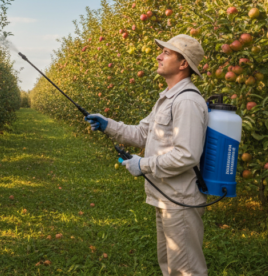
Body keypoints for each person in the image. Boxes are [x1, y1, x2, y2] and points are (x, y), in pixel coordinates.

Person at [85, 34, 208, 276]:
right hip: (166, 196)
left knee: (186, 271)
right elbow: (142, 134)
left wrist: (143, 164)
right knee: (169, 266)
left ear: (183, 64)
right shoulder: (166, 99)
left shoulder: (187, 102)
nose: (159, 56)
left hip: (180, 200)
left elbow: (187, 155)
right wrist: (108, 124)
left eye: (167, 53)